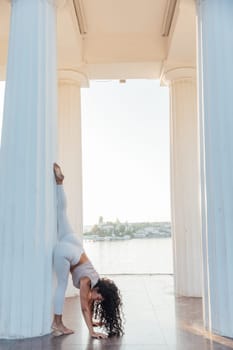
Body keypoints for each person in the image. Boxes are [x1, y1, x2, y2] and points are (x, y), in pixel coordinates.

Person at [52, 163, 124, 339]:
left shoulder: (93, 278)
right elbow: (84, 305)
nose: (97, 300)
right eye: (101, 298)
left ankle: (59, 183)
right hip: (66, 252)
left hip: (73, 243)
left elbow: (88, 304)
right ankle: (57, 322)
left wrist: (91, 322)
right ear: (100, 290)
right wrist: (92, 332)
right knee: (61, 285)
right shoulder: (87, 281)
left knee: (62, 212)